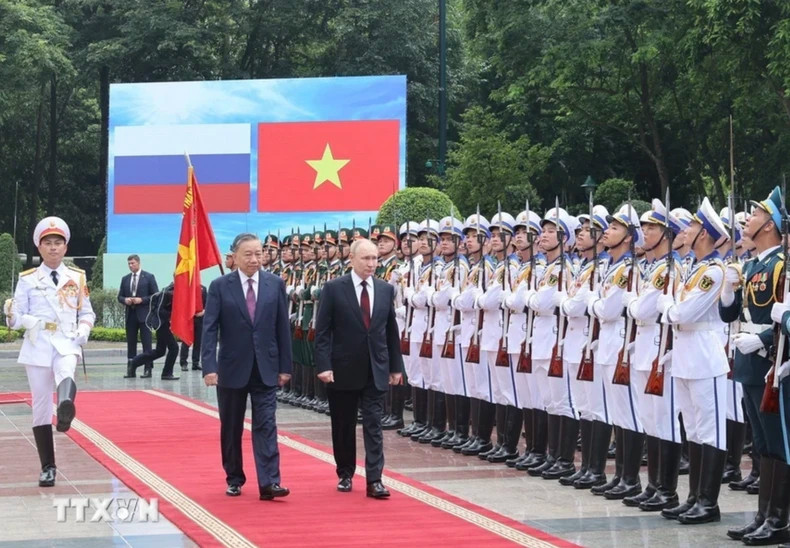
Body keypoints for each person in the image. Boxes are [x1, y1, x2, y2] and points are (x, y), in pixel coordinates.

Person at [3, 217, 95, 487]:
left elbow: (87, 312)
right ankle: (48, 467)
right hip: (38, 343)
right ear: (39, 248)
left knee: (66, 370)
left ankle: (66, 407)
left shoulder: (77, 277)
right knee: (41, 406)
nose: (53, 248)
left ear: (65, 248)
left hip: (67, 340)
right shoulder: (28, 279)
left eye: (58, 243)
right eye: (48, 243)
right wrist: (10, 316)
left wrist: (84, 330)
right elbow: (17, 318)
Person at [202, 233, 292, 500]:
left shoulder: (275, 284)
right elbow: (210, 329)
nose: (255, 259)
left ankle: (270, 482)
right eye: (248, 255)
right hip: (231, 368)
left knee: (266, 423)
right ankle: (234, 477)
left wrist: (285, 366)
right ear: (235, 257)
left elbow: (281, 328)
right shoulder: (220, 286)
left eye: (259, 254)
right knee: (231, 426)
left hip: (266, 367)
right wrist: (209, 366)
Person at [314, 238, 404, 498]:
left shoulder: (385, 289)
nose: (372, 264)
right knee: (343, 424)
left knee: (374, 424)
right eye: (366, 258)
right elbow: (323, 332)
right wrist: (324, 365)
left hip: (375, 368)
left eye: (375, 258)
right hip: (342, 368)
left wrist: (396, 367)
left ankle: (375, 479)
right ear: (352, 259)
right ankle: (345, 472)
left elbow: (390, 330)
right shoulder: (333, 288)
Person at [128, 282, 180, 380]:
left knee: (160, 351)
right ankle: (166, 373)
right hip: (162, 323)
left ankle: (134, 362)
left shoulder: (171, 289)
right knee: (174, 348)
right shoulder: (170, 292)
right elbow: (160, 310)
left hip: (161, 322)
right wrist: (172, 314)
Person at [119, 255, 158, 378]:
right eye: (129, 264)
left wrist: (141, 300)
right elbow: (119, 296)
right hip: (131, 314)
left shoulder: (148, 277)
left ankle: (148, 368)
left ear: (139, 263)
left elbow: (155, 296)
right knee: (131, 343)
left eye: (133, 263)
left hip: (144, 316)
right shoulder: (125, 279)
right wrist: (125, 300)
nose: (131, 265)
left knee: (147, 343)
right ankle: (131, 369)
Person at [179, 284, 206, 371]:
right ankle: (183, 363)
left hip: (199, 318)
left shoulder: (203, 289)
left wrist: (203, 312)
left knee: (198, 342)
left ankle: (196, 363)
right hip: (188, 319)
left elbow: (208, 303)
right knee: (186, 341)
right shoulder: (185, 288)